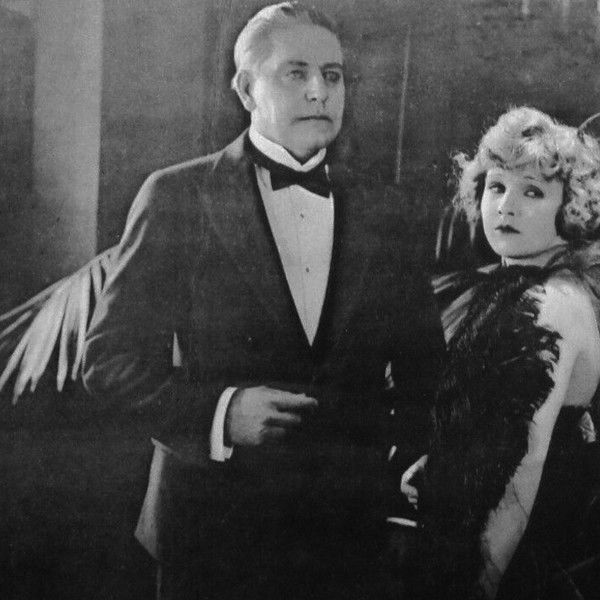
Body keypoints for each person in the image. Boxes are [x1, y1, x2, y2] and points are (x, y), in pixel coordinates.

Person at [82, 3, 444, 599]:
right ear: (247, 90)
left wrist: (408, 471)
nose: (319, 91)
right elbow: (108, 361)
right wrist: (222, 414)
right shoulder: (177, 195)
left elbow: (423, 369)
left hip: (348, 534)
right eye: (295, 73)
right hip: (213, 532)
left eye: (332, 75)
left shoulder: (387, 210)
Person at [401, 106, 600, 599]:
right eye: (496, 187)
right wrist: (444, 463)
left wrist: (478, 589)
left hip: (523, 564)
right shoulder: (521, 285)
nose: (506, 206)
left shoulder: (550, 302)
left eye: (533, 191)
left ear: (571, 207)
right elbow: (495, 426)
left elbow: (521, 473)